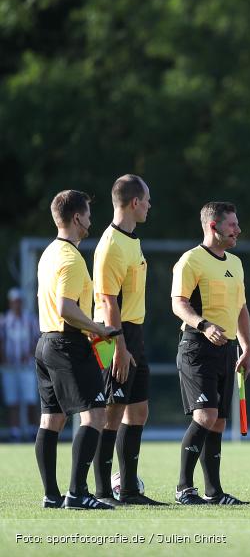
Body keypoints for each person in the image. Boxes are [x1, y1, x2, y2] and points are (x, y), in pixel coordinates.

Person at [34, 190, 118, 509]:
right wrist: (99, 329)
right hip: (68, 342)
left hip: (45, 344)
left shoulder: (49, 253)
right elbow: (67, 308)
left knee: (51, 420)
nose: (90, 222)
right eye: (88, 215)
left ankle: (52, 496)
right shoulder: (71, 258)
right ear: (77, 218)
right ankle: (78, 493)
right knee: (94, 415)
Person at [172, 202, 250, 505]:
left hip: (227, 350)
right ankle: (184, 489)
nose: (238, 230)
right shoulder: (190, 261)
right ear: (213, 226)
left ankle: (214, 491)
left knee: (218, 421)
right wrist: (203, 325)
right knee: (205, 416)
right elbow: (178, 303)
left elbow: (242, 309)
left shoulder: (236, 262)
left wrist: (246, 347)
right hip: (196, 347)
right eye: (232, 225)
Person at [91, 175, 163, 506]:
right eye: (147, 200)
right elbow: (107, 301)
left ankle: (130, 488)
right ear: (135, 202)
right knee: (112, 410)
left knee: (139, 411)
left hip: (134, 332)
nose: (150, 205)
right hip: (111, 335)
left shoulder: (132, 240)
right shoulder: (110, 244)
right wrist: (119, 347)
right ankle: (104, 491)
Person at [1, 287, 40, 442]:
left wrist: (29, 354)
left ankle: (32, 430)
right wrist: (3, 359)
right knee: (13, 400)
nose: (16, 304)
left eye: (18, 302)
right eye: (14, 302)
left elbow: (37, 340)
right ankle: (15, 431)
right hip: (9, 367)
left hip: (27, 366)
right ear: (10, 303)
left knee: (30, 399)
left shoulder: (30, 320)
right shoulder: (4, 321)